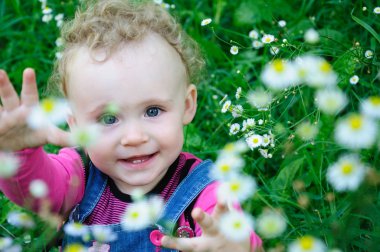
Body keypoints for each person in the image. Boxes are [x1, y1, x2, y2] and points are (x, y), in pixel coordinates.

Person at [0, 0, 262, 251]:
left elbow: (231, 232)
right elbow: (36, 192)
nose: (134, 137)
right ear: (75, 125)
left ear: (187, 105)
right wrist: (18, 153)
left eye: (152, 111)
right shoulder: (79, 174)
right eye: (109, 119)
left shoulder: (205, 192)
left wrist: (234, 246)